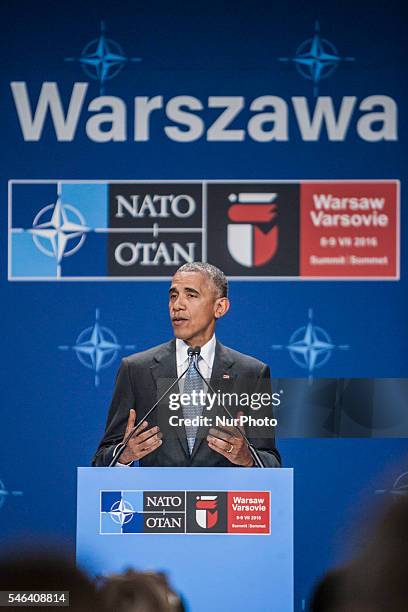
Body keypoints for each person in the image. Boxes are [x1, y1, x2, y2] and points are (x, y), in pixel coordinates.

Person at [93, 262, 280, 468]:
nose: (177, 305)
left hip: (223, 499)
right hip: (158, 499)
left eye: (191, 295)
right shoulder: (137, 369)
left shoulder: (251, 373)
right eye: (173, 295)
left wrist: (247, 458)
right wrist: (123, 455)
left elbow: (271, 462)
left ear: (220, 307)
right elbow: (101, 460)